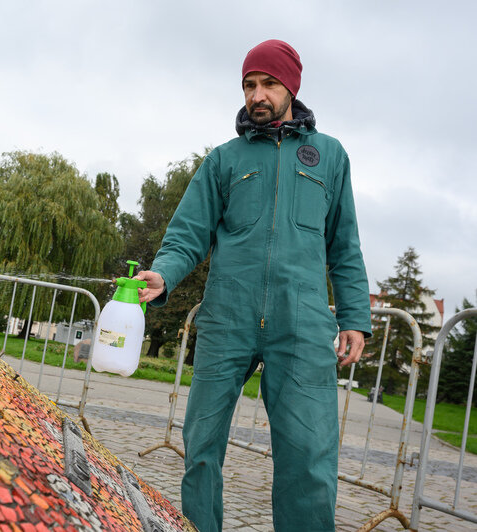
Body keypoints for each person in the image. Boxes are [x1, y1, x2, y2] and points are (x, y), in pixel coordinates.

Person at [135, 39, 372, 531]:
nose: (257, 95)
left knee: (309, 460)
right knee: (201, 447)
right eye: (249, 85)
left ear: (291, 88)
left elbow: (344, 244)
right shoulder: (223, 160)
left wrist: (354, 318)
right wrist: (164, 273)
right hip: (228, 318)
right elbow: (187, 234)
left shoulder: (328, 156)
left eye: (268, 83)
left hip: (303, 322)